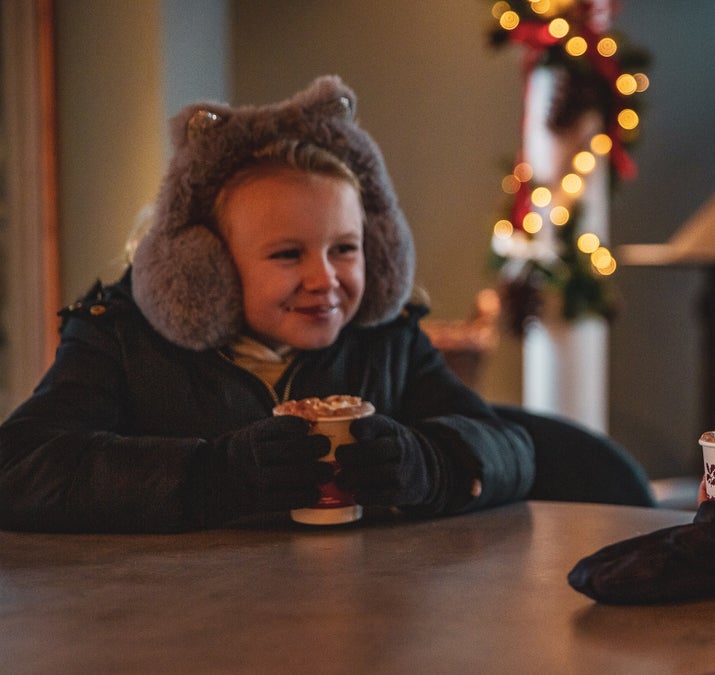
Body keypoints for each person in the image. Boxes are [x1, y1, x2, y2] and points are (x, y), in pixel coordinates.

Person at [0, 75, 535, 533]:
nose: (324, 279)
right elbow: (18, 469)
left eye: (345, 249)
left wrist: (432, 466)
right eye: (286, 254)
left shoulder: (387, 340)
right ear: (206, 266)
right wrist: (210, 477)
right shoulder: (120, 341)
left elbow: (512, 450)